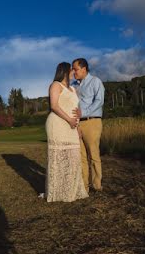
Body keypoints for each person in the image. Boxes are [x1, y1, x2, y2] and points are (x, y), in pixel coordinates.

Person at [44, 62, 89, 202]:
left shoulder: (73, 89)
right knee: (59, 157)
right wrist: (69, 120)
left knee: (73, 157)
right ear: (64, 71)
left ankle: (71, 190)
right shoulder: (55, 85)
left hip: (72, 125)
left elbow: (75, 108)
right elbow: (54, 106)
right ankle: (57, 192)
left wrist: (77, 125)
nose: (73, 72)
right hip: (58, 124)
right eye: (71, 70)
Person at [71, 58, 105, 192]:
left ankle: (97, 185)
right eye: (73, 69)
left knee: (94, 155)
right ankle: (84, 186)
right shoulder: (75, 85)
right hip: (79, 124)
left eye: (75, 69)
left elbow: (99, 101)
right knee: (82, 157)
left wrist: (83, 112)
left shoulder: (95, 81)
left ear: (84, 69)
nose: (74, 72)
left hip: (92, 122)